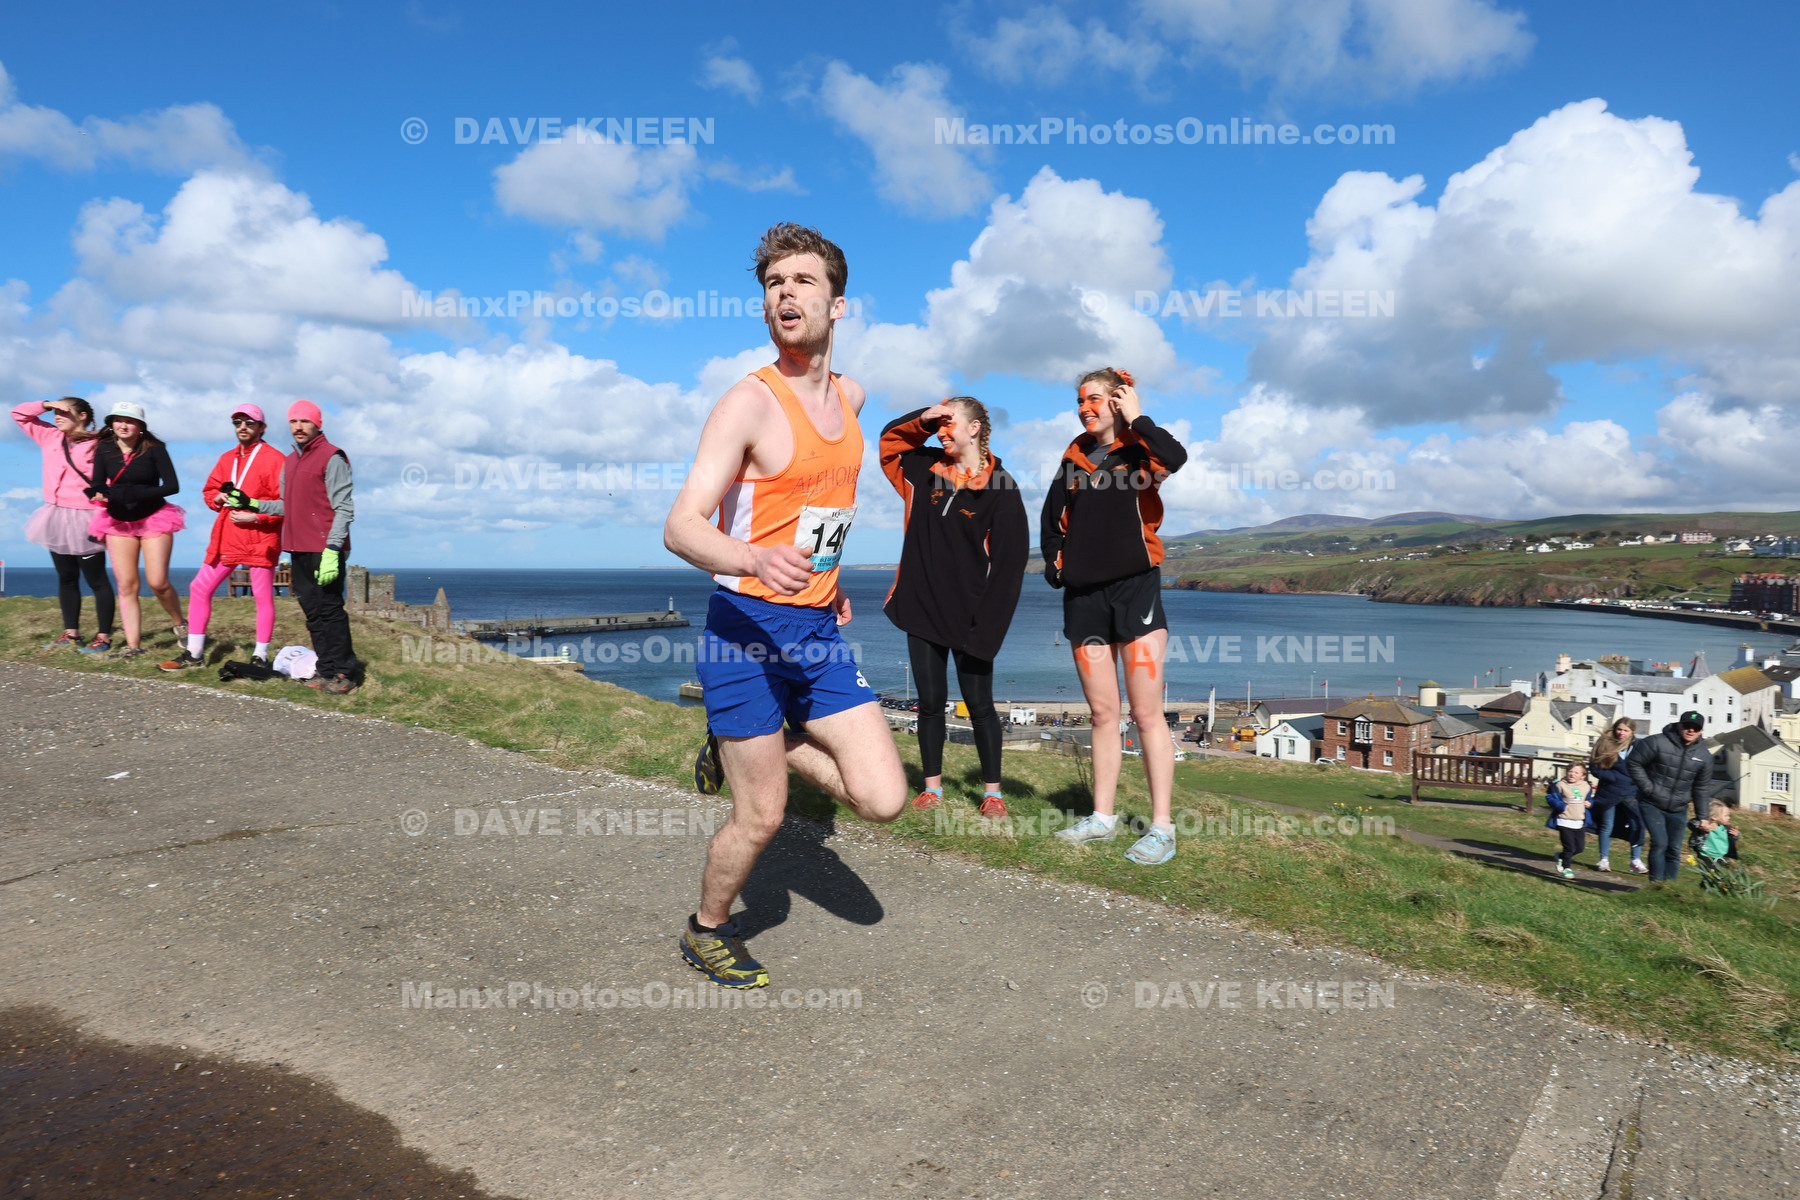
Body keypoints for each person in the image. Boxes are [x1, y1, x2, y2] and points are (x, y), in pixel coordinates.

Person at [663, 223, 907, 988]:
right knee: (761, 816)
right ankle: (707, 929)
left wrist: (829, 581)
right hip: (743, 633)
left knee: (883, 798)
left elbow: (823, 506)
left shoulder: (852, 397)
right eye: (773, 284)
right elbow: (681, 526)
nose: (785, 294)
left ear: (839, 304)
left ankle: (751, 739)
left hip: (816, 629)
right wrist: (754, 557)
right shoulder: (747, 404)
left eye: (802, 281)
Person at [1044, 367, 1189, 865]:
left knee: (1147, 714)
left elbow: (1176, 457)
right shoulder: (1073, 458)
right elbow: (1051, 523)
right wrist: (1058, 568)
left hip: (1135, 592)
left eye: (1094, 399)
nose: (1084, 408)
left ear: (1117, 400)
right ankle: (1101, 818)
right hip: (1084, 599)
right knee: (1104, 713)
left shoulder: (1139, 452)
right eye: (1079, 401)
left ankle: (1162, 829)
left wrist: (1138, 417)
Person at [879, 396, 1029, 817]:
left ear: (975, 427)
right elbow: (889, 444)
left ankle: (993, 794)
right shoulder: (923, 468)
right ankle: (932, 789)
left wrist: (989, 632)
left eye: (950, 423)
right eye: (938, 425)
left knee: (980, 706)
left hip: (971, 618)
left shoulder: (1002, 487)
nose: (942, 432)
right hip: (920, 607)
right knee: (929, 702)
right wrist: (923, 419)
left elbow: (1009, 568)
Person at [221, 399, 357, 694]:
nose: (298, 426)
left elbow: (344, 508)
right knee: (312, 612)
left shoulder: (333, 457)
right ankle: (326, 670)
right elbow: (286, 506)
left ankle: (344, 673)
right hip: (297, 546)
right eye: (294, 421)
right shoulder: (291, 461)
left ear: (317, 424)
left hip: (325, 548)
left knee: (330, 610)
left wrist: (334, 549)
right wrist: (252, 503)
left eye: (305, 421)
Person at [158, 404, 285, 672]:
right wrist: (216, 498)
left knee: (262, 596)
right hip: (228, 536)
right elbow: (209, 490)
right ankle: (194, 653)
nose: (243, 427)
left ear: (262, 427)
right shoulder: (227, 458)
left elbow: (286, 504)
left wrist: (256, 517)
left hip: (260, 537)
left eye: (249, 423)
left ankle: (260, 656)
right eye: (237, 422)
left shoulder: (276, 459)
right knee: (199, 588)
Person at [12, 396, 116, 653]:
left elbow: (110, 480)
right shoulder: (49, 436)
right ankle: (71, 634)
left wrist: (104, 511)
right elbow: (19, 414)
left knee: (96, 579)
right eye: (54, 413)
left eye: (63, 412)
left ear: (82, 416)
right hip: (55, 516)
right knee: (66, 576)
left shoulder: (100, 444)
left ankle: (103, 638)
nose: (57, 417)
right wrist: (47, 404)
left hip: (88, 517)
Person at [85, 402, 186, 660]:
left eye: (129, 421)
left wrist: (137, 494)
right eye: (118, 420)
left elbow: (172, 486)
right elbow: (97, 481)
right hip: (118, 520)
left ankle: (181, 623)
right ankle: (133, 646)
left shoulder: (155, 449)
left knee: (158, 582)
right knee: (127, 585)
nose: (123, 425)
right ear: (111, 423)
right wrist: (97, 492)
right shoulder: (104, 448)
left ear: (140, 426)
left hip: (154, 517)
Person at [1626, 710, 1715, 882]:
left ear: (1701, 731)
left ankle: (1669, 888)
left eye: (1696, 728)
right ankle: (1656, 884)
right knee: (1660, 843)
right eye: (1687, 726)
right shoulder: (1656, 742)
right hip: (1651, 803)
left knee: (1674, 849)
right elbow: (1634, 762)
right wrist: (1648, 788)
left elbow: (1701, 788)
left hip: (1678, 808)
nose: (1691, 730)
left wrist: (1703, 817)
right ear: (1679, 726)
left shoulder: (1704, 757)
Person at [1588, 718, 1647, 874]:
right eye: (1619, 729)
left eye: (1626, 730)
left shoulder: (1639, 747)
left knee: (1637, 824)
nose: (1622, 733)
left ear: (1632, 732)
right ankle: (1604, 859)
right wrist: (1611, 777)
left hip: (1631, 793)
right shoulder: (1605, 744)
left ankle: (1635, 860)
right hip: (1609, 792)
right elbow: (1594, 767)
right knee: (1607, 825)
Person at [1544, 763, 1595, 880]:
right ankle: (1566, 868)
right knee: (1569, 847)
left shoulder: (1586, 786)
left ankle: (1560, 856)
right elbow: (1550, 797)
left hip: (1579, 821)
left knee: (1579, 848)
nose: (1572, 774)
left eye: (1576, 772)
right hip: (1564, 820)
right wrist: (1560, 805)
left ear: (1583, 775)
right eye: (1570, 771)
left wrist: (1590, 803)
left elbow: (1589, 799)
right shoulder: (1560, 785)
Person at [1687, 800, 1740, 869]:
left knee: (1716, 874)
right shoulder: (1705, 826)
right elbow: (1691, 824)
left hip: (1719, 857)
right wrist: (1700, 824)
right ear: (1715, 817)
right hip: (1706, 856)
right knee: (1710, 873)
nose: (1729, 817)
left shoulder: (1724, 828)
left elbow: (1731, 837)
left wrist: (1736, 835)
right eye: (1726, 815)